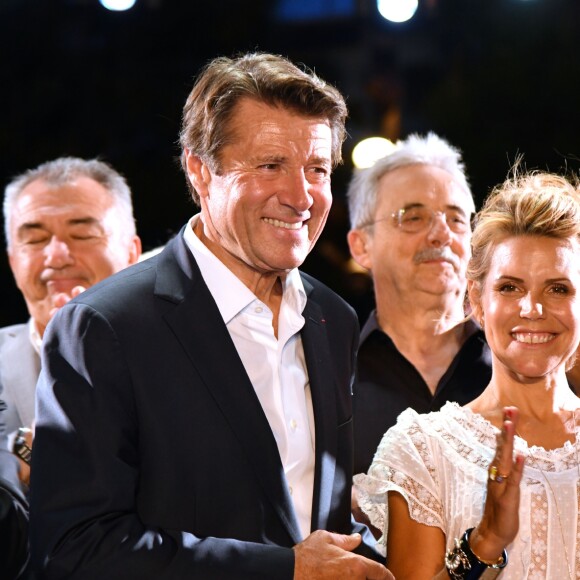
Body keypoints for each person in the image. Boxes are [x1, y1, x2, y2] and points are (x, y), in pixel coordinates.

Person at [29, 53, 392, 579]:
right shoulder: (104, 327)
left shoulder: (332, 319)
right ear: (200, 171)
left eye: (316, 169)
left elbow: (319, 526)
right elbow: (75, 549)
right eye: (271, 165)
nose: (301, 197)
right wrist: (283, 570)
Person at [354, 169, 580, 578]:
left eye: (558, 288)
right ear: (476, 299)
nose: (533, 309)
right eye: (510, 287)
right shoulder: (423, 451)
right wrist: (486, 542)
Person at [346, 132, 491, 475]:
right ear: (361, 246)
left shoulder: (519, 366)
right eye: (413, 217)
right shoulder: (326, 379)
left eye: (456, 218)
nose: (441, 234)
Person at [0, 156, 142, 485]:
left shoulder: (179, 357)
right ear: (12, 262)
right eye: (35, 240)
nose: (57, 255)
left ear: (132, 254)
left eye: (83, 234)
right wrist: (29, 454)